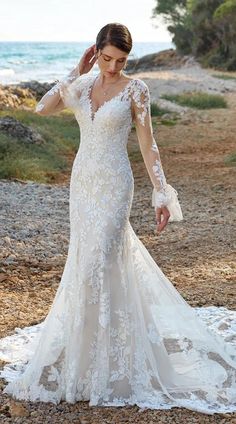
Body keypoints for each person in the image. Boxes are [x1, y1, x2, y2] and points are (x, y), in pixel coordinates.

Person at [0, 23, 235, 415]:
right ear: (96, 52)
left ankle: (115, 358)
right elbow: (42, 107)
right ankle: (87, 357)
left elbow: (148, 144)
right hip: (83, 185)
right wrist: (77, 70)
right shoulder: (82, 85)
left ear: (128, 59)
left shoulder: (135, 90)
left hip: (114, 186)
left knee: (102, 258)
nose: (112, 67)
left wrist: (161, 192)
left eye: (120, 61)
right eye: (106, 59)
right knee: (85, 263)